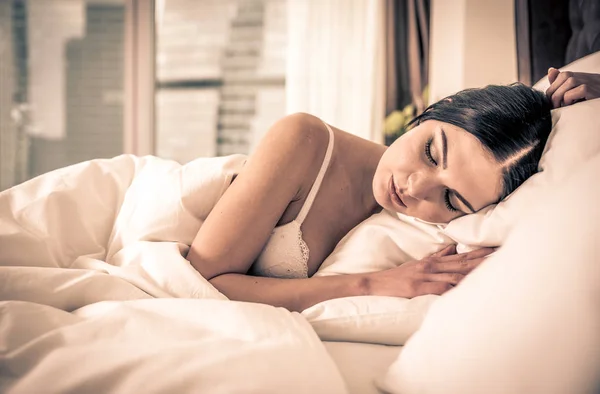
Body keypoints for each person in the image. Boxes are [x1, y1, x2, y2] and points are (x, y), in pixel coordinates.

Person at [186, 69, 600, 313]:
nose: (415, 188)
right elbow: (202, 282)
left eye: (452, 200)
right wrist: (375, 284)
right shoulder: (301, 139)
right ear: (437, 109)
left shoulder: (443, 234)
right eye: (431, 153)